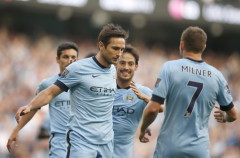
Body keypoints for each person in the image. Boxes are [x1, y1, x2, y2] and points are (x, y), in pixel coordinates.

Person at [15, 23, 128, 158]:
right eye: (115, 48)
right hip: (82, 141)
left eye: (122, 49)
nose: (119, 54)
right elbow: (51, 91)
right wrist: (30, 106)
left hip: (106, 142)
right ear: (101, 45)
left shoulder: (113, 70)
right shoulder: (78, 68)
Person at [139, 26, 238, 158]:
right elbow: (233, 114)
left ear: (182, 45)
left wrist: (143, 128)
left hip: (170, 147)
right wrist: (225, 117)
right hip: (200, 150)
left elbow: (153, 109)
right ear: (204, 47)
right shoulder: (217, 75)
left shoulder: (170, 67)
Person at [7, 42, 79, 157]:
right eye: (66, 57)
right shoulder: (47, 84)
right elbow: (32, 108)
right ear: (57, 59)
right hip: (58, 146)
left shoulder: (84, 84)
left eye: (73, 57)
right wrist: (16, 130)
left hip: (80, 145)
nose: (70, 60)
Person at [113, 45, 152, 158]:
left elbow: (162, 107)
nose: (126, 67)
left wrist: (145, 98)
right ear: (116, 64)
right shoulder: (105, 89)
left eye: (130, 64)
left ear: (136, 67)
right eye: (122, 63)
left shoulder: (143, 91)